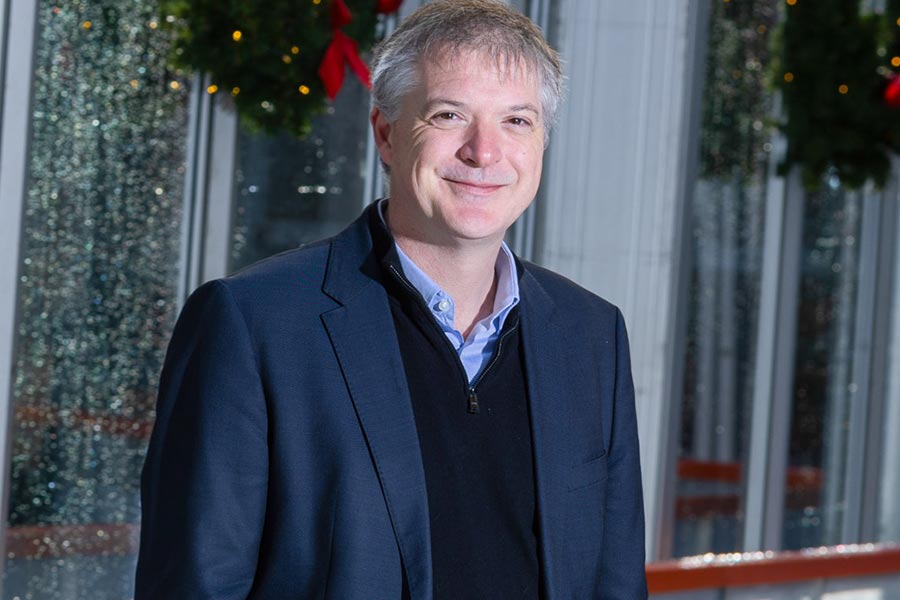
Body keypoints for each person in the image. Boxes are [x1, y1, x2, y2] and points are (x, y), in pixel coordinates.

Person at [135, 1, 647, 598]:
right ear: (385, 133)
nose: (484, 152)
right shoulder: (253, 325)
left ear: (541, 142)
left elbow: (615, 584)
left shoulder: (591, 334)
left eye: (516, 121)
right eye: (449, 115)